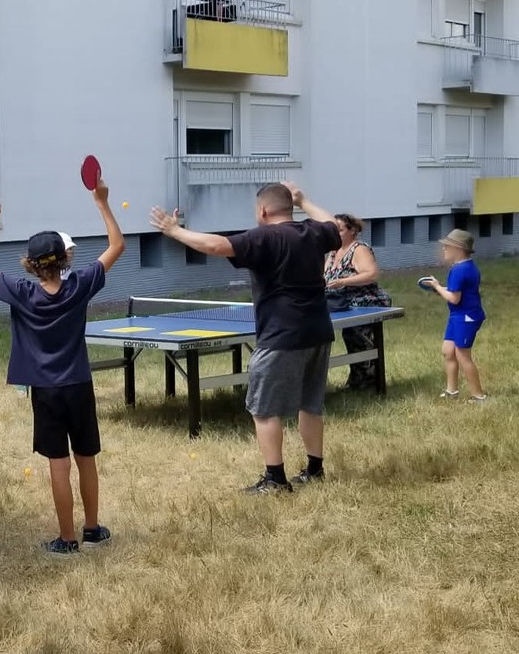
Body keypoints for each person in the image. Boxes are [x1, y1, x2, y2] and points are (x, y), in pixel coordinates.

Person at [149, 182, 342, 493]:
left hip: (281, 335)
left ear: (263, 211)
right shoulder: (312, 231)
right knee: (310, 403)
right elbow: (334, 224)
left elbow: (216, 246)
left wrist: (175, 231)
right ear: (289, 208)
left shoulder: (264, 237)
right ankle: (315, 470)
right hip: (318, 331)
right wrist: (304, 200)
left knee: (263, 409)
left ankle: (275, 479)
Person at [0, 184, 124, 554]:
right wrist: (102, 202)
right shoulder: (80, 286)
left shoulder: (22, 292)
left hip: (46, 391)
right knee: (86, 458)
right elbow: (117, 246)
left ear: (31, 263)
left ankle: (67, 539)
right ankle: (92, 530)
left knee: (59, 463)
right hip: (79, 385)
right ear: (65, 259)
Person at [323, 214, 392, 390]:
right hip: (339, 304)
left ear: (352, 230)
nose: (334, 234)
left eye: (339, 230)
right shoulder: (332, 253)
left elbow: (371, 274)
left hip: (364, 302)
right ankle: (358, 378)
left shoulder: (359, 249)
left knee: (357, 337)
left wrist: (343, 281)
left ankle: (369, 380)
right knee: (347, 337)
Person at [426, 229, 487, 402]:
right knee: (448, 351)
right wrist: (441, 289)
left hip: (466, 317)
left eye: (447, 245)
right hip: (458, 315)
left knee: (462, 355)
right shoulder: (466, 266)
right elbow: (457, 292)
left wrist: (437, 287)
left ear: (458, 248)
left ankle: (478, 396)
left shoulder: (459, 270)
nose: (443, 248)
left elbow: (454, 298)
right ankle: (451, 391)